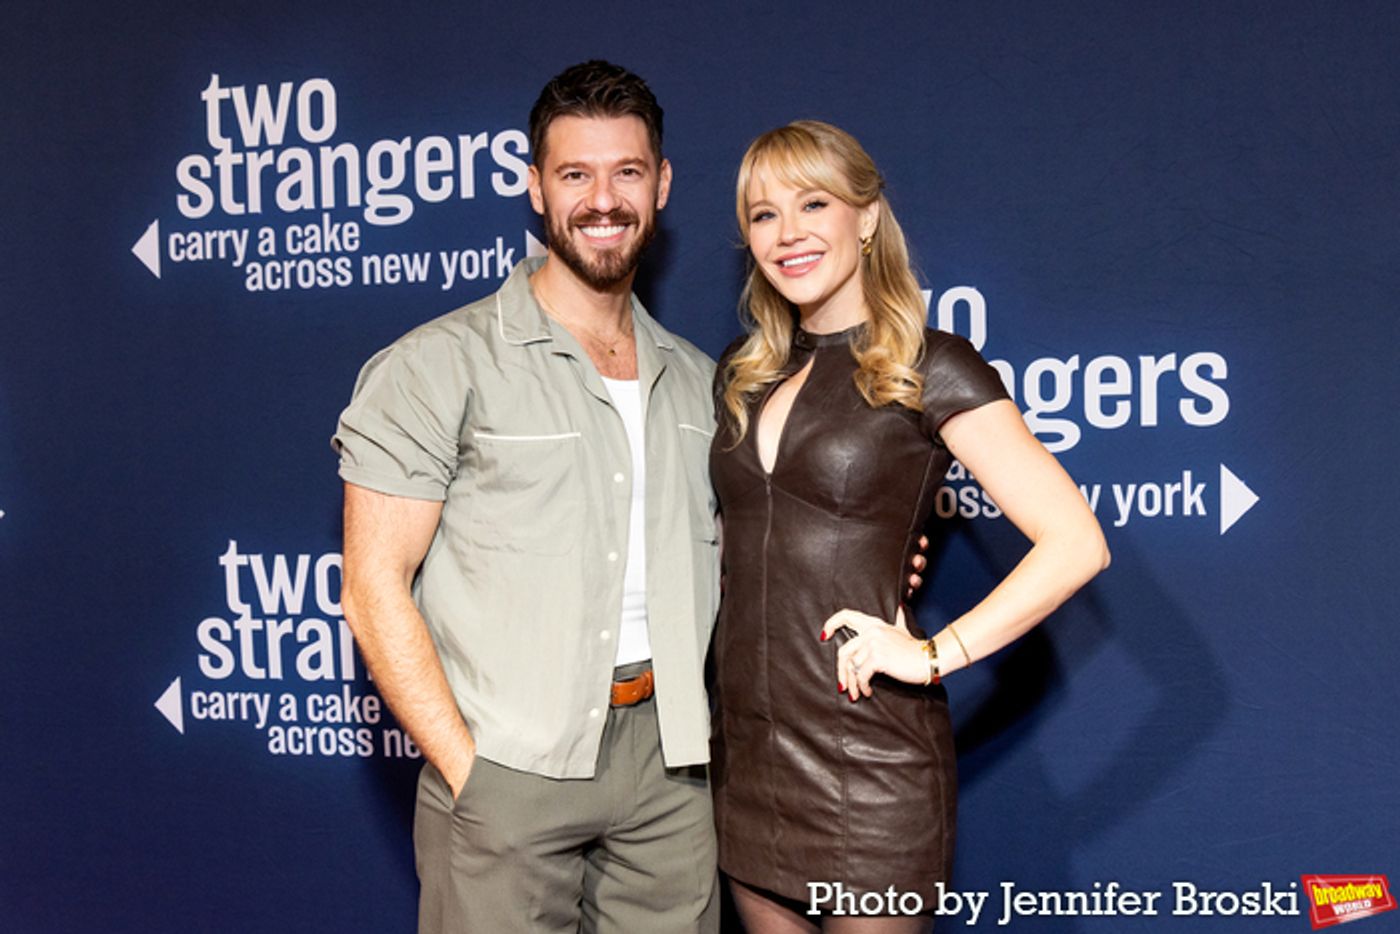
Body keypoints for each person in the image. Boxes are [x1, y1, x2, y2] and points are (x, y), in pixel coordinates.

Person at [332, 61, 721, 933]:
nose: (603, 200)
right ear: (536, 187)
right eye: (575, 174)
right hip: (506, 770)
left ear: (661, 186)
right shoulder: (435, 366)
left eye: (626, 172)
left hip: (672, 774)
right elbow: (371, 586)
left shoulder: (701, 383)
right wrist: (469, 772)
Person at [708, 120, 1110, 933]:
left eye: (813, 204)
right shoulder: (742, 375)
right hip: (748, 766)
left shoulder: (932, 364)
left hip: (871, 766)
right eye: (763, 214)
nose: (787, 234)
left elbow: (1077, 542)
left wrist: (933, 655)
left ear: (865, 216)